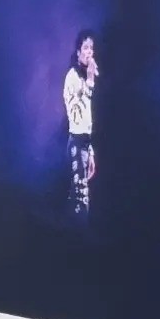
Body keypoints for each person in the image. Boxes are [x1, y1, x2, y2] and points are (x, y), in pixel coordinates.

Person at [63, 30, 99, 219]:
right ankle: (77, 231)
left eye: (91, 48)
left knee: (78, 196)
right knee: (80, 197)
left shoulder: (83, 78)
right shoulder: (73, 77)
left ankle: (73, 229)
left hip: (84, 143)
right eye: (85, 47)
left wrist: (90, 152)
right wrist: (90, 83)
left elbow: (87, 121)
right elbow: (76, 117)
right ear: (78, 52)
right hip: (76, 144)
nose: (90, 52)